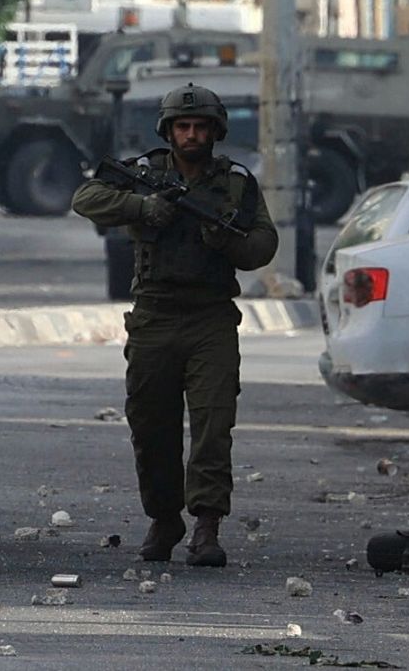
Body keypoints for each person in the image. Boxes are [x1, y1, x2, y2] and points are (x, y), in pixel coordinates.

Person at [70, 84, 277, 567]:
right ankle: (165, 517)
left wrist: (225, 238)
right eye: (182, 127)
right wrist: (143, 208)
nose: (191, 134)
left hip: (210, 318)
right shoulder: (141, 175)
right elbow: (86, 197)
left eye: (200, 127)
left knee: (212, 423)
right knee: (151, 424)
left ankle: (207, 524)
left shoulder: (234, 185)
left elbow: (263, 246)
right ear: (168, 131)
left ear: (215, 131)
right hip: (154, 317)